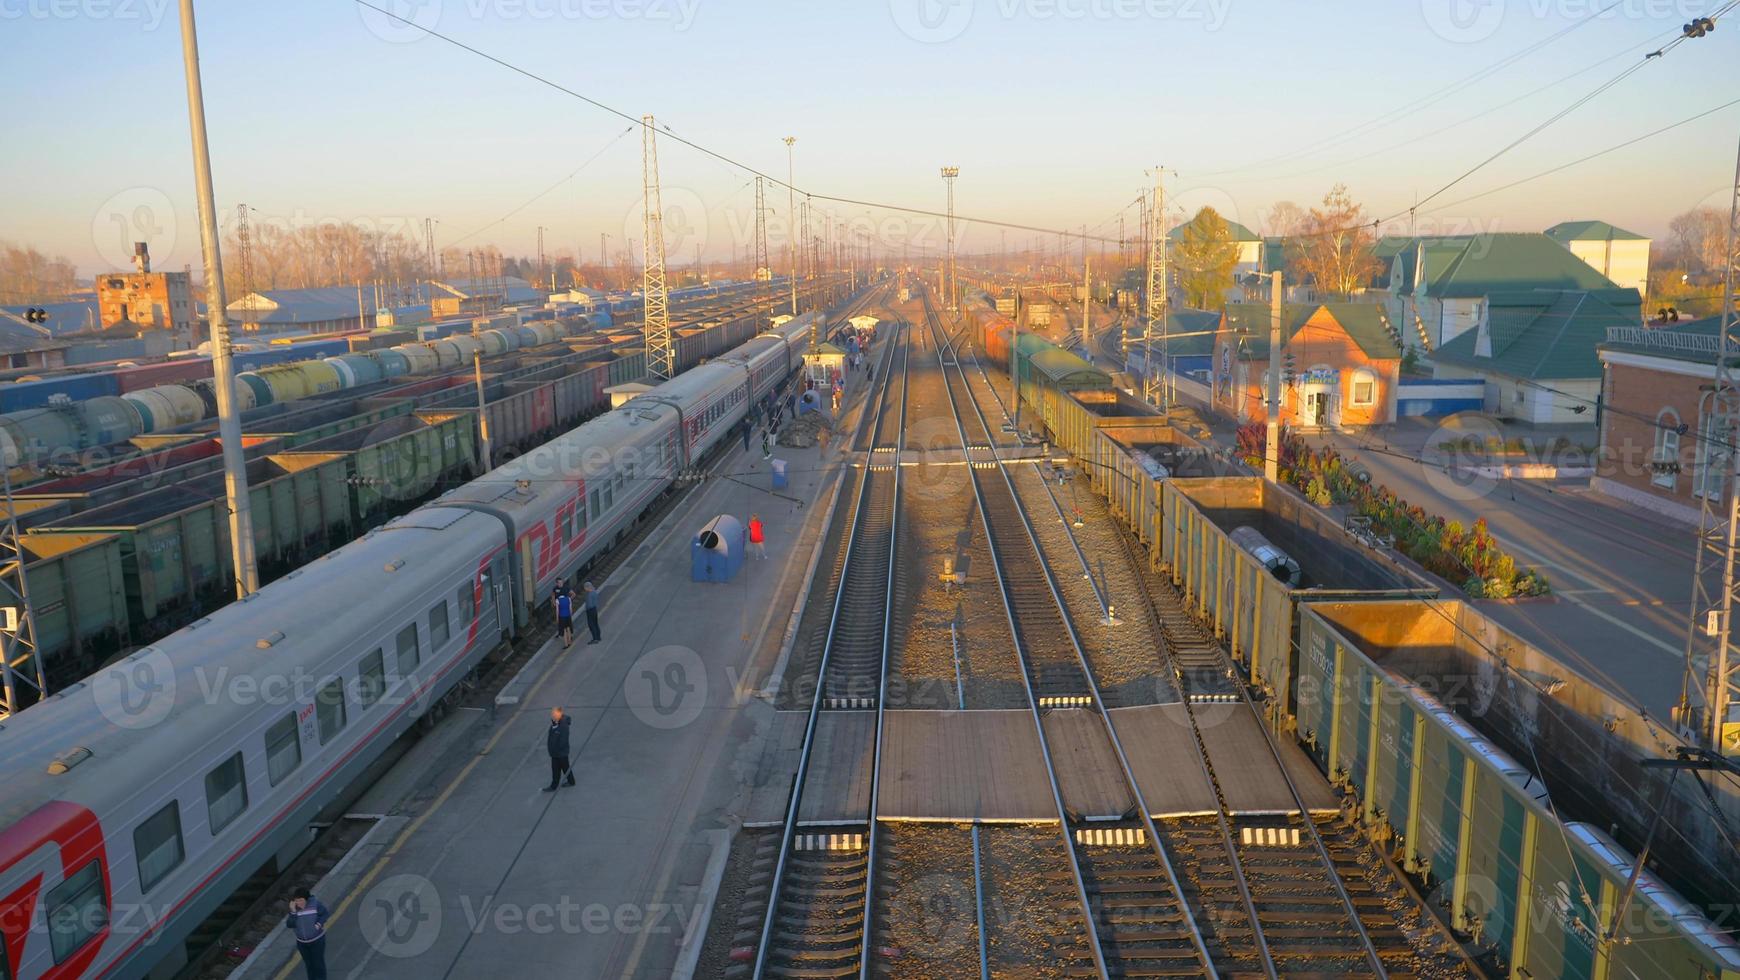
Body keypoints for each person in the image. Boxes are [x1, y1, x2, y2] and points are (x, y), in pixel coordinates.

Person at [285, 888, 329, 980]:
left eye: (301, 900)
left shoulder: (316, 904)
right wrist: (293, 912)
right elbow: (290, 924)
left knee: (318, 964)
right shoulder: (294, 910)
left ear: (307, 899)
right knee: (309, 965)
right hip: (302, 943)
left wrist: (318, 924)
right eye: (296, 901)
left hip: (317, 941)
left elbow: (325, 914)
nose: (299, 903)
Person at [545, 707, 575, 791]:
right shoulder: (556, 723)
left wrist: (555, 750)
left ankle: (553, 786)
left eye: (554, 714)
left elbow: (562, 740)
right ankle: (571, 781)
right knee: (565, 767)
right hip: (556, 752)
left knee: (556, 769)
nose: (552, 716)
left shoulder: (563, 726)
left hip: (560, 752)